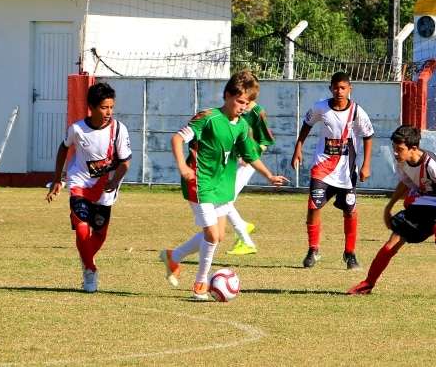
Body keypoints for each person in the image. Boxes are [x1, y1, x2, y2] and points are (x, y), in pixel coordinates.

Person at [159, 70, 288, 300]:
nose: (242, 106)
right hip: (199, 182)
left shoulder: (240, 126)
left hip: (223, 186)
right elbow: (177, 138)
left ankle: (173, 256)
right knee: (211, 235)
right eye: (239, 101)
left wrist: (269, 175)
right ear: (227, 95)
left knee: (218, 236)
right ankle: (201, 284)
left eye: (246, 103)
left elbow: (250, 155)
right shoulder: (207, 118)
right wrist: (182, 166)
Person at [347, 125, 436, 297]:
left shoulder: (432, 165)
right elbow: (405, 183)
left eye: (399, 149)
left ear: (413, 148)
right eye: (394, 149)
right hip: (423, 204)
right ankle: (368, 284)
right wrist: (389, 207)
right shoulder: (402, 162)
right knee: (392, 243)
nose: (396, 153)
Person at [46, 82, 132, 293]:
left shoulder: (118, 129)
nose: (108, 112)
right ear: (91, 107)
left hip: (105, 188)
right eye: (104, 107)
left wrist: (115, 180)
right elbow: (63, 148)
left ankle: (85, 260)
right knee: (82, 228)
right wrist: (58, 178)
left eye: (111, 107)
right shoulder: (77, 129)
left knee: (100, 234)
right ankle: (90, 270)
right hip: (80, 184)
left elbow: (125, 162)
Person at [291, 71, 374, 270]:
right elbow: (306, 126)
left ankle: (350, 253)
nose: (339, 91)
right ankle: (313, 249)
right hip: (323, 167)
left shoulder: (357, 112)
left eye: (343, 87)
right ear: (330, 88)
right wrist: (298, 149)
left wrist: (366, 165)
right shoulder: (320, 108)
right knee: (313, 206)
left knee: (350, 211)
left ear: (349, 89)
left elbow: (368, 136)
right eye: (336, 87)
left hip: (347, 171)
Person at [226, 94, 276, 255]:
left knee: (225, 201)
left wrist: (250, 155)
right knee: (223, 200)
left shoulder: (257, 112)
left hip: (246, 163)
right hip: (231, 161)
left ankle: (245, 239)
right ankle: (242, 228)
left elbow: (265, 141)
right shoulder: (234, 109)